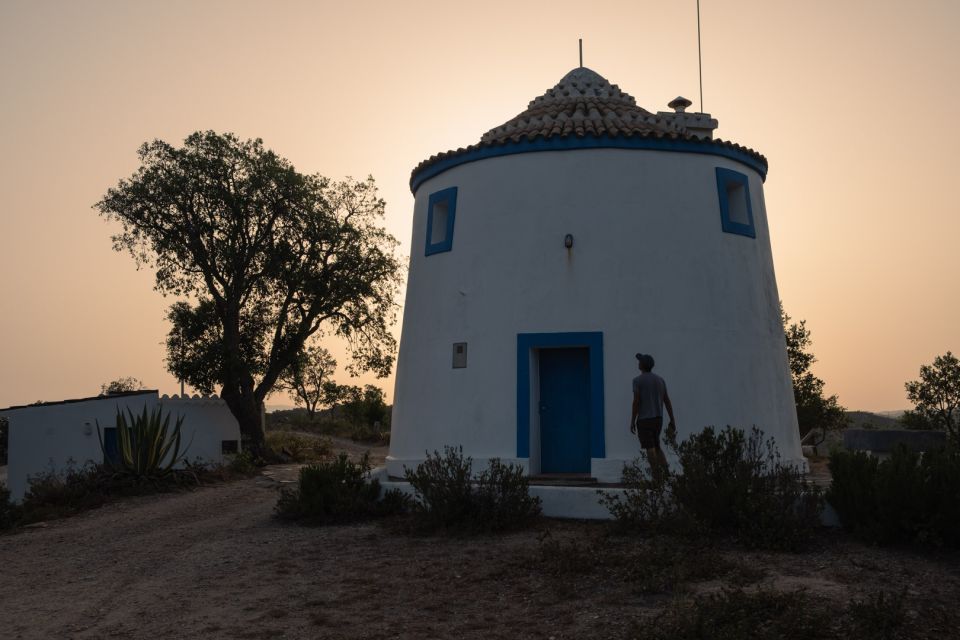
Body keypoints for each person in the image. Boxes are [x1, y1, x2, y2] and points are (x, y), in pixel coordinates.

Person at [630, 353, 676, 471]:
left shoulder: (637, 381)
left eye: (639, 361)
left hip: (645, 420)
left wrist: (632, 421)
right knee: (657, 446)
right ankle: (666, 474)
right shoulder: (660, 380)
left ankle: (657, 478)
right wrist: (672, 419)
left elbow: (636, 402)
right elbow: (667, 400)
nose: (638, 362)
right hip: (658, 419)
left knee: (650, 448)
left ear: (642, 365)